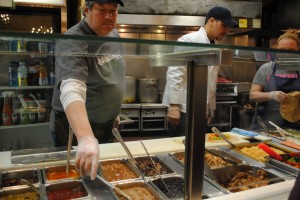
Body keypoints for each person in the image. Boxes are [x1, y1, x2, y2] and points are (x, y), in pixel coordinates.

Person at [50, 0, 125, 181]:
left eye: (113, 11)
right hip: (76, 127)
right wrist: (85, 138)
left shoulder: (114, 34)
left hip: (105, 124)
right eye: (102, 10)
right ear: (86, 11)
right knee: (73, 178)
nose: (108, 16)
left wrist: (115, 111)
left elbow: (115, 73)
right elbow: (71, 88)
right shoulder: (73, 39)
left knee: (100, 176)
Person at [162, 6, 237, 136]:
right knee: (180, 148)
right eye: (224, 25)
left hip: (201, 108)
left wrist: (210, 108)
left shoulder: (214, 45)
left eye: (227, 27)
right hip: (184, 108)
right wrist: (174, 106)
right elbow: (175, 73)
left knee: (197, 146)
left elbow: (211, 81)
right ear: (211, 21)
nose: (226, 30)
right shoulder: (189, 40)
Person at [250, 29, 300, 130]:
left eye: (290, 51)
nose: (286, 54)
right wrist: (271, 95)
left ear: (297, 50)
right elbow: (253, 95)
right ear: (277, 49)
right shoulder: (267, 68)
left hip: (293, 127)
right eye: (282, 50)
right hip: (265, 126)